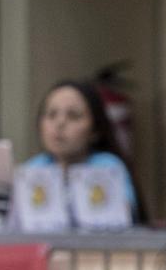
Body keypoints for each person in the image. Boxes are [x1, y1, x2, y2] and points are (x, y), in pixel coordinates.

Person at [23, 79, 141, 221]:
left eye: (73, 116)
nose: (60, 123)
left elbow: (121, 218)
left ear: (95, 130)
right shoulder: (32, 169)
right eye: (51, 114)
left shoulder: (108, 166)